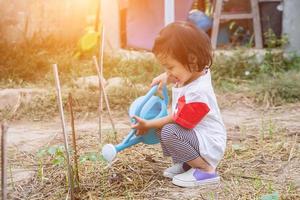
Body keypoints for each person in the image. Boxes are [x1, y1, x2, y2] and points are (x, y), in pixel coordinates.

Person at [131, 21, 226, 188]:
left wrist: (149, 124)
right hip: (196, 136)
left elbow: (177, 120)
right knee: (164, 128)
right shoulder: (194, 72)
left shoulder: (199, 92)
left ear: (192, 59)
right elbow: (184, 70)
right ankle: (188, 163)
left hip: (209, 143)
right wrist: (167, 75)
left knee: (168, 130)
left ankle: (205, 169)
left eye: (170, 67)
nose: (169, 73)